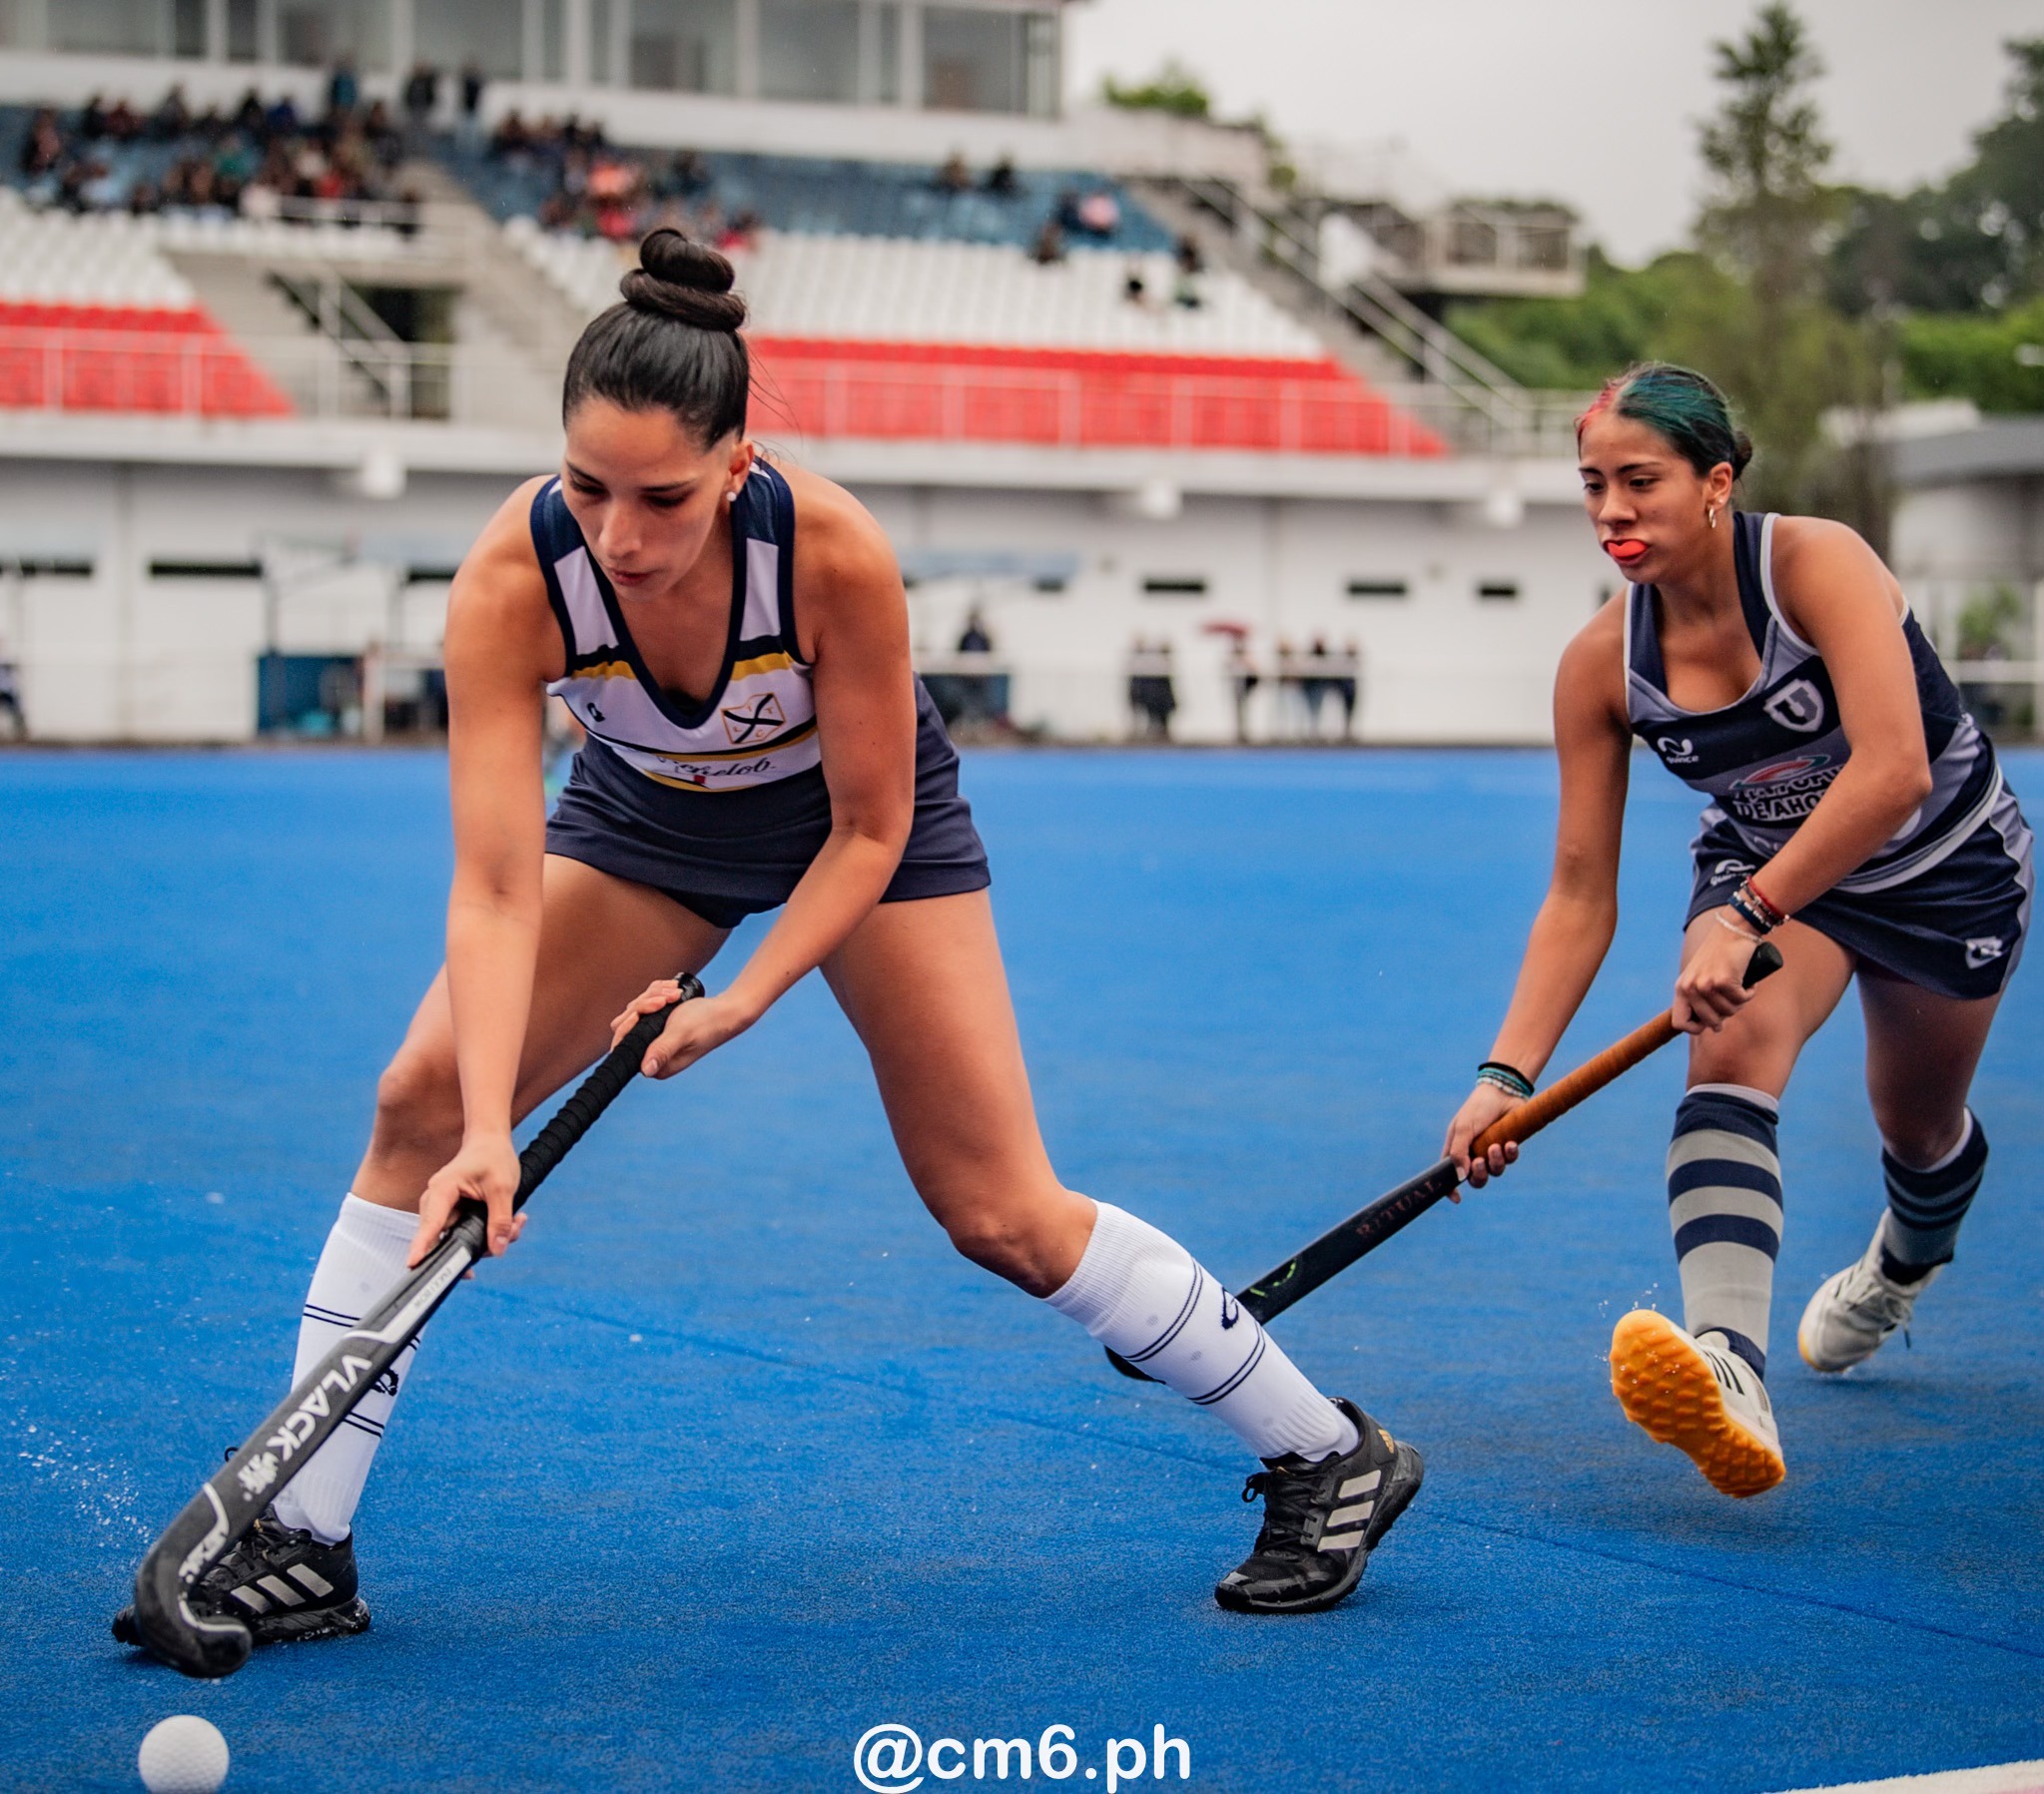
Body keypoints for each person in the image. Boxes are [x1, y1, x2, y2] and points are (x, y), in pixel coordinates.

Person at [121, 232, 1424, 1651]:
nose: (620, 534)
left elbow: (866, 831)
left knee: (995, 1210)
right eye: (587, 489)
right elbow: (495, 885)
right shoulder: (513, 577)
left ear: (737, 464)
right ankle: (306, 1544)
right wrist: (489, 1130)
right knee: (418, 1109)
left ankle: (1322, 1450)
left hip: (862, 830)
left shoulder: (830, 553)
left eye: (663, 497)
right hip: (647, 825)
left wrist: (741, 998)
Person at [1442, 362, 2031, 1500]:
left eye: (1641, 481)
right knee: (1728, 1053)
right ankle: (1729, 1368)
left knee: (1914, 1127)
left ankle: (1904, 1264)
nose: (1612, 511)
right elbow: (1576, 893)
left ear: (1716, 482)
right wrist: (1503, 1074)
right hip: (1771, 876)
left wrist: (1750, 912)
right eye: (1593, 485)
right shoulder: (1598, 666)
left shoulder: (1814, 562)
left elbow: (1895, 768)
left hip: (1941, 867)